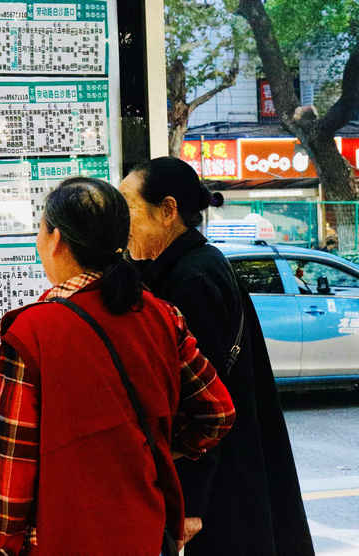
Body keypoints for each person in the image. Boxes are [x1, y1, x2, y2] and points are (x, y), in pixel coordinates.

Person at [0, 177, 236, 556]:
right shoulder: (162, 316)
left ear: (56, 239)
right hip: (146, 533)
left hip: (63, 538)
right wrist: (157, 447)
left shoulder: (31, 334)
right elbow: (217, 413)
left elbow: (10, 465)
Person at [121, 156, 315, 556]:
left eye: (129, 208)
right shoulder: (197, 264)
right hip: (235, 468)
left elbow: (202, 404)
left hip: (221, 485)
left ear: (168, 210)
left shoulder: (192, 280)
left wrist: (191, 502)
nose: (122, 223)